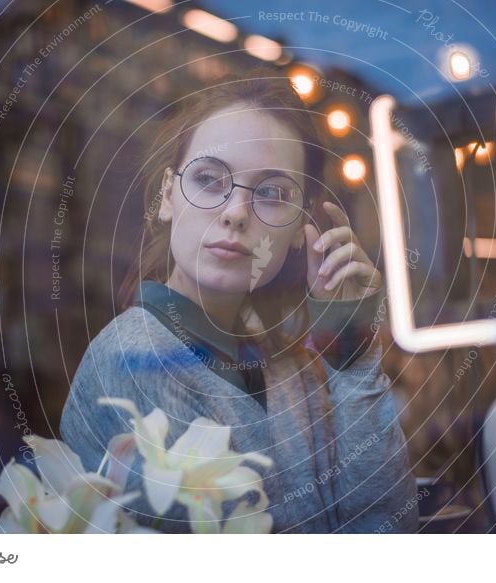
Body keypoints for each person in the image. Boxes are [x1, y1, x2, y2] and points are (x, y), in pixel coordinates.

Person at [59, 67, 417, 533]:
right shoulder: (132, 361)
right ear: (168, 196)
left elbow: (386, 528)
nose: (235, 213)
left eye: (272, 193)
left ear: (299, 228)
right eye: (209, 179)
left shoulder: (291, 368)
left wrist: (350, 355)